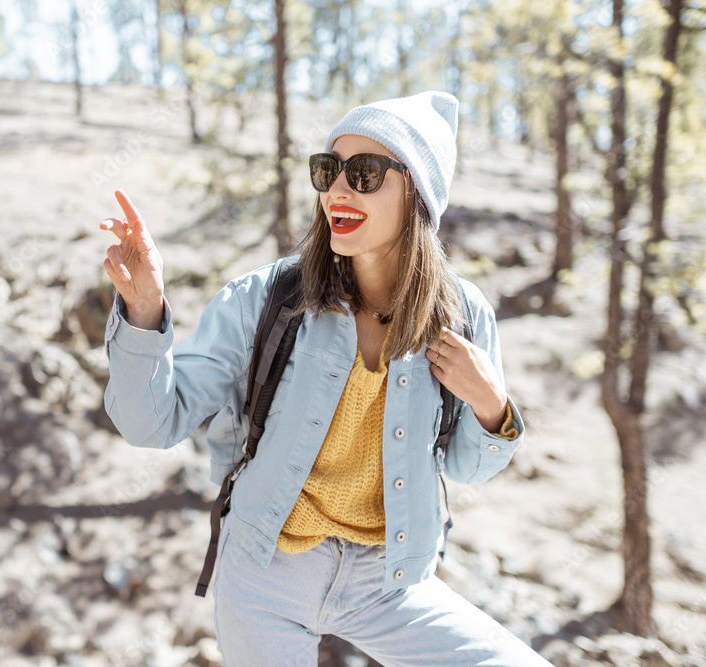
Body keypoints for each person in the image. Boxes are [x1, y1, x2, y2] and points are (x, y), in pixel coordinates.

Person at [99, 91, 553, 667]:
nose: (338, 190)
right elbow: (150, 423)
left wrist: (493, 405)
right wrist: (143, 312)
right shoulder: (265, 298)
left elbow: (468, 466)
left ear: (417, 190)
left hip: (388, 578)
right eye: (328, 170)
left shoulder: (463, 315)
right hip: (265, 571)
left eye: (364, 173)